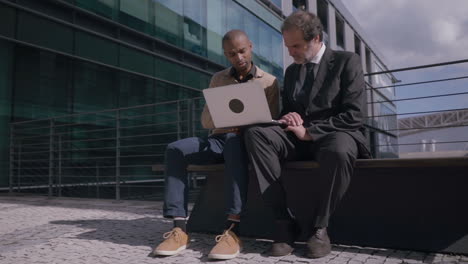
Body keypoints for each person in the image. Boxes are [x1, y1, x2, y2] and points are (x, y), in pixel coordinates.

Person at [243, 11, 371, 258]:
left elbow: (355, 116)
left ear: (316, 38)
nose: (290, 52)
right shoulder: (292, 72)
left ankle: (319, 227)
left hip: (336, 133)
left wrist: (310, 132)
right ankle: (284, 222)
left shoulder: (347, 61)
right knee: (256, 133)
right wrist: (288, 117)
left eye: (296, 46)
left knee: (340, 150)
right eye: (288, 46)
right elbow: (291, 108)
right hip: (299, 136)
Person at [152, 29, 279, 260]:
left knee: (233, 140)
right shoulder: (218, 79)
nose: (238, 57)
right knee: (175, 149)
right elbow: (205, 120)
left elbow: (273, 124)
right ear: (225, 55)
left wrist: (242, 125)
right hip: (217, 139)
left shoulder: (269, 82)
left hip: (246, 144)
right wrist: (227, 117)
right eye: (232, 54)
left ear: (250, 47)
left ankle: (233, 229)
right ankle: (179, 228)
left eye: (242, 51)